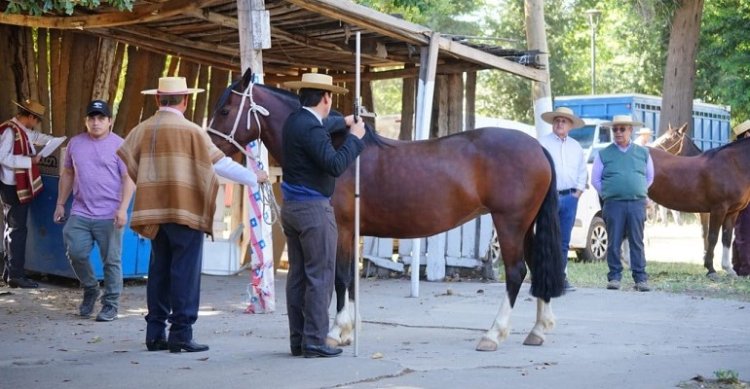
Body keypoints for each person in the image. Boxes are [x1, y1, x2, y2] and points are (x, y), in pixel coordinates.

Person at [117, 77, 268, 353]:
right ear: (185, 100)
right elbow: (220, 165)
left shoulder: (142, 129)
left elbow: (127, 161)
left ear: (157, 99)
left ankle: (154, 334)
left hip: (154, 212)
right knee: (185, 272)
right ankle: (181, 335)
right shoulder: (193, 132)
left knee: (159, 270)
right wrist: (253, 177)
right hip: (186, 211)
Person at [280, 73, 365, 358]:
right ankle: (315, 340)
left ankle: (298, 339)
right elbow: (334, 164)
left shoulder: (295, 121)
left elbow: (320, 125)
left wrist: (343, 121)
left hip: (291, 208)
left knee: (298, 276)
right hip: (313, 210)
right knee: (320, 276)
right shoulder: (312, 130)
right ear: (326, 98)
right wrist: (354, 139)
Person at [54, 100, 135, 321]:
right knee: (76, 252)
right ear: (86, 121)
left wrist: (123, 209)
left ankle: (110, 305)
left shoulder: (120, 145)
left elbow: (129, 178)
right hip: (81, 210)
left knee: (111, 260)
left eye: (101, 118)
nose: (96, 122)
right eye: (92, 118)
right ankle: (90, 288)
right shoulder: (76, 143)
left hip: (110, 213)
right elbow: (68, 173)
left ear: (110, 121)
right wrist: (61, 203)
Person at [0, 99, 63, 288]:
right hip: (12, 185)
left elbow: (35, 137)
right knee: (17, 230)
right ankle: (16, 275)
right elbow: (2, 157)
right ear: (29, 117)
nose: (36, 124)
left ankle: (9, 272)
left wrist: (54, 141)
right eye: (36, 120)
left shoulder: (21, 130)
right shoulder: (10, 131)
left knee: (12, 228)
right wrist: (29, 162)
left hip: (15, 184)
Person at [592, 115, 654, 292]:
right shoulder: (604, 154)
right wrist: (609, 192)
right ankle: (614, 277)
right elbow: (595, 180)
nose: (618, 132)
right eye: (615, 129)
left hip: (636, 203)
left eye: (622, 129)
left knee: (637, 240)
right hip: (613, 204)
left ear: (630, 130)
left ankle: (640, 278)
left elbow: (650, 177)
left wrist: (638, 189)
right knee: (614, 241)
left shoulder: (643, 153)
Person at [539, 107, 587, 292]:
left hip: (569, 198)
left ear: (570, 125)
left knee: (564, 240)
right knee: (545, 239)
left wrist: (578, 193)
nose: (560, 123)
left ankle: (560, 278)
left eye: (564, 121)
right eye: (557, 120)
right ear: (553, 123)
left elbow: (582, 171)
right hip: (548, 197)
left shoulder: (575, 146)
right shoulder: (542, 144)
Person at [731, 120, 750, 276]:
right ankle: (745, 268)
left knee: (741, 232)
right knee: (744, 232)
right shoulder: (742, 155)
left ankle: (738, 265)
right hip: (744, 198)